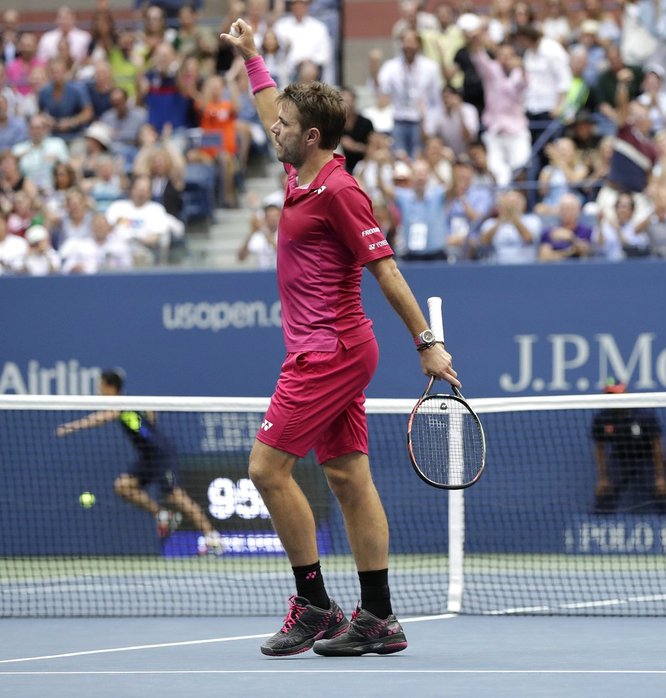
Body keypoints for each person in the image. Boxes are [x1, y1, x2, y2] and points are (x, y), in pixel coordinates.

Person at [220, 19, 457, 658]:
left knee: (266, 469)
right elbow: (275, 107)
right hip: (334, 352)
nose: (274, 130)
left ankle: (316, 605)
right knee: (349, 477)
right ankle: (378, 617)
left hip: (328, 353)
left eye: (286, 128)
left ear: (313, 137)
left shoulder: (340, 193)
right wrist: (252, 57)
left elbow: (386, 269)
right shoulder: (301, 171)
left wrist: (426, 342)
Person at [55, 369, 222, 554]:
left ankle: (212, 538)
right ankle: (162, 514)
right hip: (147, 457)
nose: (98, 389)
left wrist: (71, 427)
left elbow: (101, 418)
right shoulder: (131, 401)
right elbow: (152, 412)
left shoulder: (120, 404)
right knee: (123, 486)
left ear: (110, 386)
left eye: (100, 385)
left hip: (161, 455)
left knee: (176, 496)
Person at [591, 380, 666, 515]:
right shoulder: (603, 418)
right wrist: (603, 478)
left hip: (646, 459)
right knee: (605, 492)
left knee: (661, 492)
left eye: (617, 393)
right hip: (620, 459)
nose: (615, 398)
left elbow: (657, 444)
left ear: (625, 392)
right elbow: (599, 447)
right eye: (611, 394)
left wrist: (660, 477)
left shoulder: (643, 415)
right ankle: (597, 527)